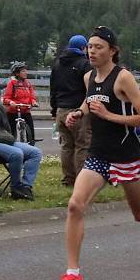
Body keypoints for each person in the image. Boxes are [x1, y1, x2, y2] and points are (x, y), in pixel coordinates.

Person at [51, 26, 140, 280]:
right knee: (75, 205)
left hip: (126, 156)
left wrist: (109, 116)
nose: (92, 51)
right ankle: (73, 275)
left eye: (98, 47)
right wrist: (78, 113)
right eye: (90, 46)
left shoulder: (124, 79)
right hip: (98, 155)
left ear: (112, 51)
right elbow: (90, 101)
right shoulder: (88, 77)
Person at [49, 34, 92, 186]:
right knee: (82, 146)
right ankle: (82, 180)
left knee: (67, 146)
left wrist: (54, 110)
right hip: (77, 111)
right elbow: (90, 90)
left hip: (61, 109)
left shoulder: (57, 64)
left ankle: (68, 179)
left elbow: (53, 89)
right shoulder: (84, 64)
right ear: (83, 47)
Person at [2, 61, 37, 144]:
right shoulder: (12, 83)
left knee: (31, 130)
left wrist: (33, 101)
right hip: (14, 110)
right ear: (17, 73)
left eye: (26, 70)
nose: (26, 73)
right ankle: (10, 143)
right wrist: (10, 102)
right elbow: (6, 98)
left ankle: (31, 142)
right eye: (23, 71)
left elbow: (32, 96)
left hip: (25, 109)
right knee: (10, 130)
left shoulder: (28, 83)